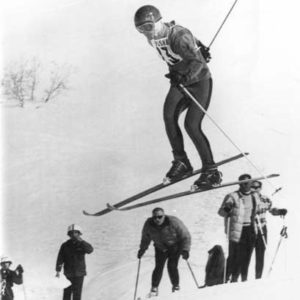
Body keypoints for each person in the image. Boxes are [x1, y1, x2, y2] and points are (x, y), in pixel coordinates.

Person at [134, 5, 222, 189]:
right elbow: (187, 44)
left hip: (199, 82)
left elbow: (199, 62)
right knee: (168, 117)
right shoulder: (155, 38)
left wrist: (186, 72)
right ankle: (182, 163)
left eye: (148, 27)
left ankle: (211, 171)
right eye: (141, 29)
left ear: (158, 22)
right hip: (180, 83)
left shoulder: (177, 36)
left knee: (191, 125)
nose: (146, 33)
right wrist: (198, 45)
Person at [137, 207, 191, 295]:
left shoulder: (173, 221)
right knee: (158, 267)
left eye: (160, 217)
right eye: (155, 217)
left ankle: (176, 285)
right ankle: (154, 287)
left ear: (164, 216)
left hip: (174, 247)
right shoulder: (149, 224)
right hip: (160, 248)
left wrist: (185, 249)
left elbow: (185, 235)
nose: (157, 219)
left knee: (172, 266)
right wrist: (142, 249)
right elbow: (145, 238)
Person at [218, 174, 260, 282]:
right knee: (235, 256)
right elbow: (221, 213)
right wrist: (227, 208)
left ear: (251, 183)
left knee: (247, 255)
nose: (245, 185)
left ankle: (244, 280)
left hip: (250, 230)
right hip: (237, 230)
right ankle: (232, 278)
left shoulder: (254, 196)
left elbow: (260, 209)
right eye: (242, 182)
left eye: (247, 182)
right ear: (239, 183)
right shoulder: (232, 196)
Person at [251, 180, 288, 279]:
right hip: (249, 228)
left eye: (256, 187)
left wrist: (280, 211)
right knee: (245, 253)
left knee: (260, 252)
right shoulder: (247, 198)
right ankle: (239, 278)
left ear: (260, 188)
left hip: (262, 227)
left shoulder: (265, 199)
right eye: (252, 187)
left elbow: (271, 210)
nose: (254, 189)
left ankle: (258, 277)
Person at [55, 224, 94, 300]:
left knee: (77, 293)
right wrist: (58, 270)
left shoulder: (82, 244)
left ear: (79, 233)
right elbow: (60, 258)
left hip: (79, 273)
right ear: (69, 234)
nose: (73, 235)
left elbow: (90, 250)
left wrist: (82, 241)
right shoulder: (65, 245)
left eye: (76, 232)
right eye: (71, 233)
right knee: (67, 291)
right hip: (68, 273)